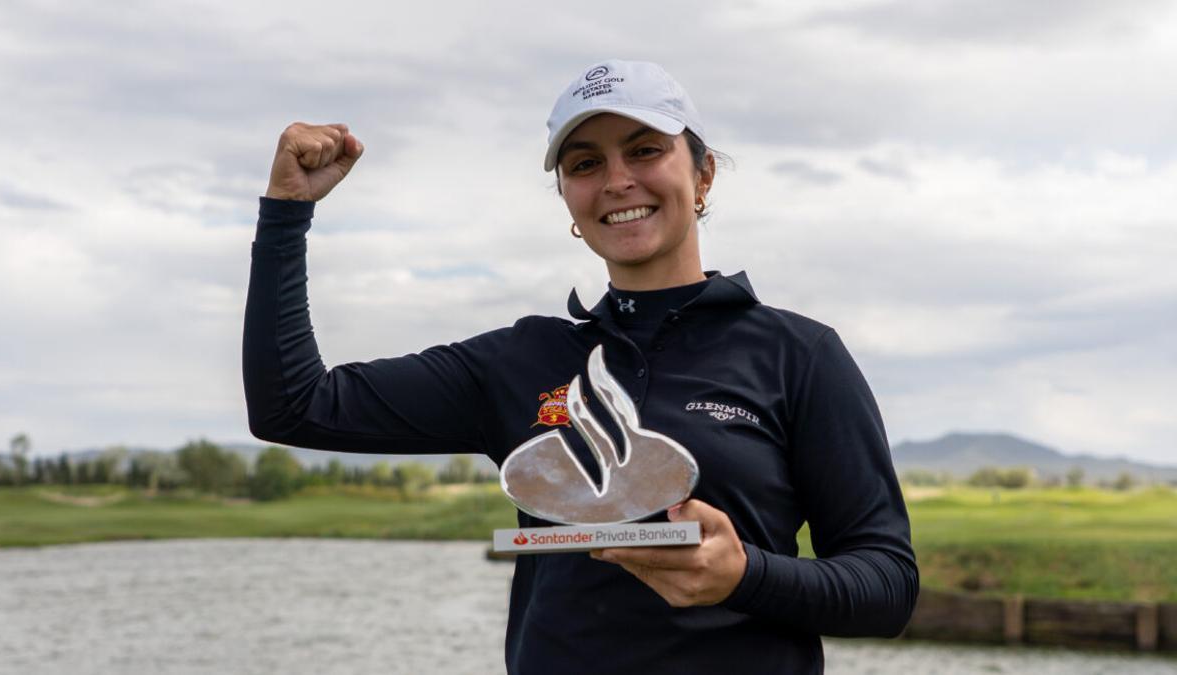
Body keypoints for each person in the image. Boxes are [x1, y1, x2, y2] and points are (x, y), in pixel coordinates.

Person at [244, 59, 918, 674]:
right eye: (585, 163)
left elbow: (887, 586)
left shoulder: (799, 355)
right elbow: (295, 405)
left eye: (646, 149)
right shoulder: (520, 360)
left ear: (702, 173)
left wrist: (746, 574)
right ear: (567, 196)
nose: (618, 179)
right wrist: (286, 214)